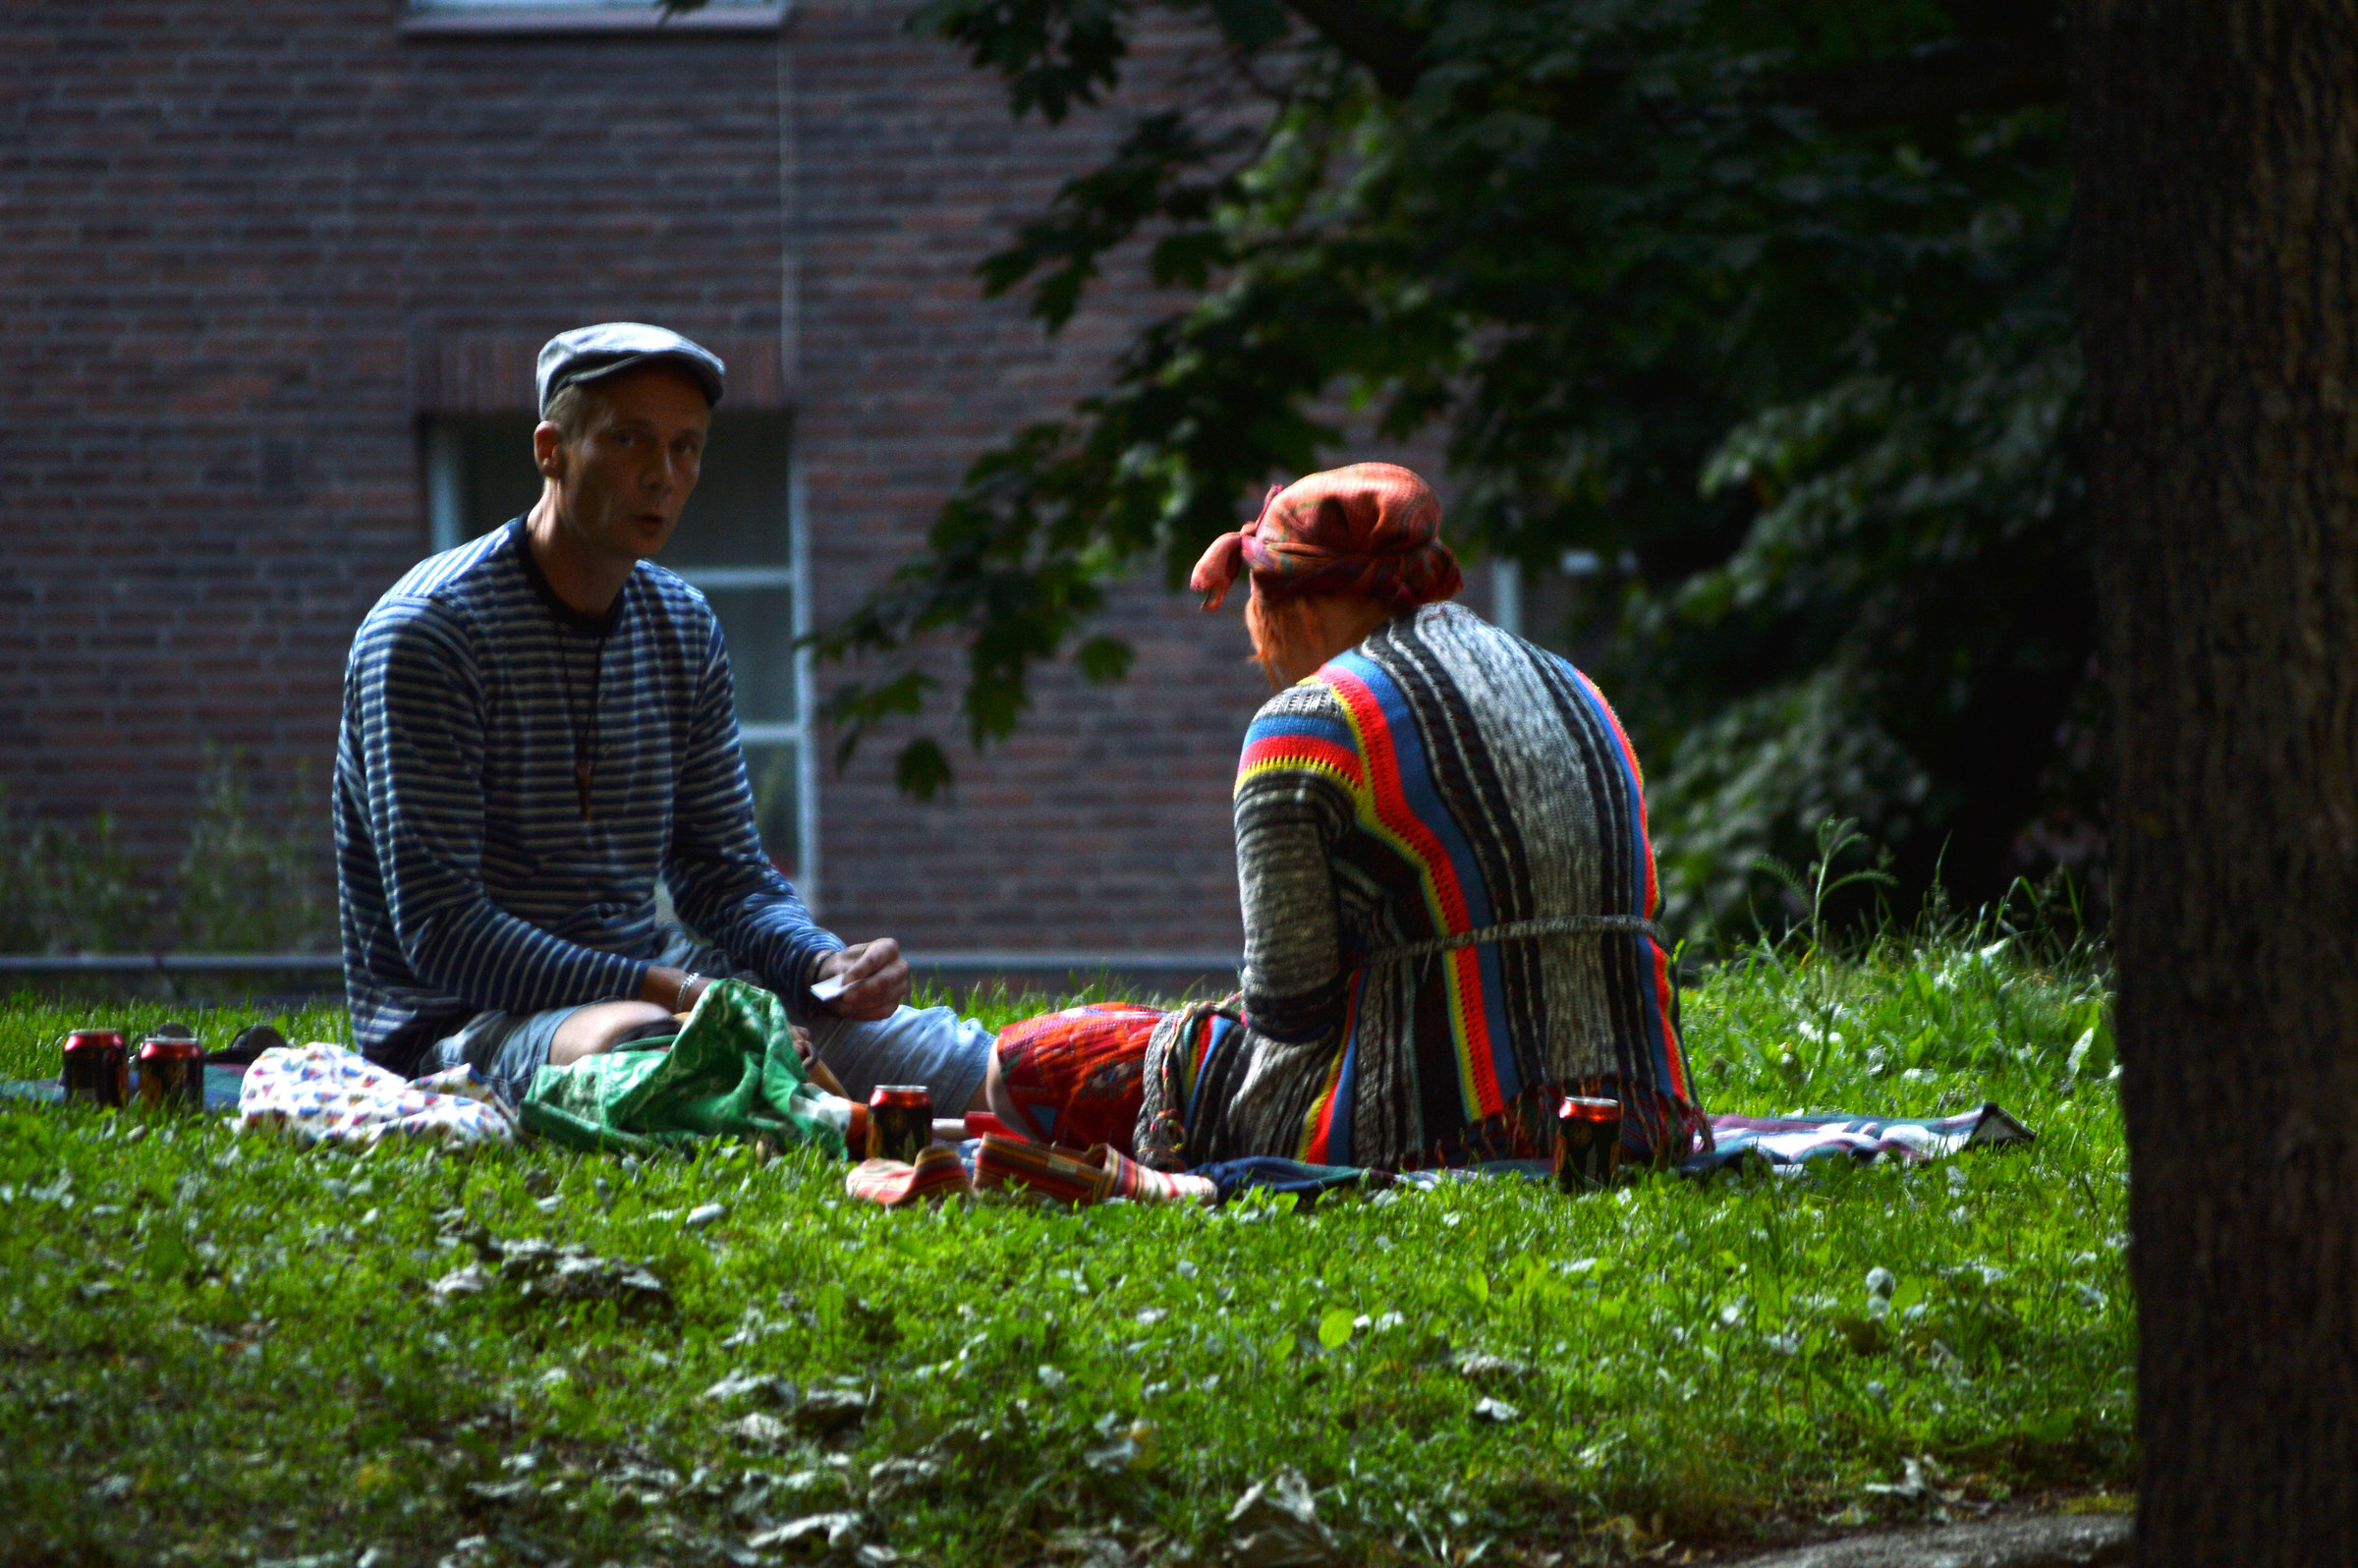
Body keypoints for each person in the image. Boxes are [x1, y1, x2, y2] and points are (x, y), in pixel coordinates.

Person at [334, 322, 992, 1111]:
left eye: (687, 447)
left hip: (662, 989)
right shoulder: (430, 631)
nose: (663, 474)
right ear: (551, 449)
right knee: (643, 1043)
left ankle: (1169, 1114)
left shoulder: (682, 625)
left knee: (958, 1063)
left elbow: (725, 875)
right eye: (628, 441)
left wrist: (822, 968)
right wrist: (676, 991)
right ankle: (799, 1103)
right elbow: (444, 930)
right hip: (462, 1026)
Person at [987, 462, 1709, 1170]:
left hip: (1450, 1129)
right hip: (1639, 1114)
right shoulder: (1574, 684)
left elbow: (1289, 1010)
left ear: (1297, 607)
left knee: (1029, 1062)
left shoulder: (1306, 723)